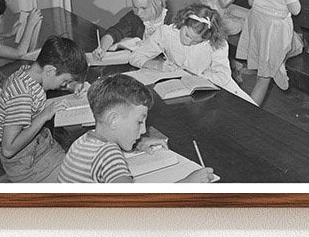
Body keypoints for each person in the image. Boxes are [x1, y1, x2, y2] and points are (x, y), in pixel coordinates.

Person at [58, 74, 213, 184]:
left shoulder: (82, 142)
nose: (144, 130)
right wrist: (187, 183)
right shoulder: (109, 155)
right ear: (113, 120)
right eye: (139, 122)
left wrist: (137, 143)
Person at [0, 36, 89, 182]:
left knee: (81, 166)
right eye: (65, 80)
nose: (63, 85)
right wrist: (44, 115)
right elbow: (8, 149)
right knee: (78, 178)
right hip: (23, 161)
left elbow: (47, 85)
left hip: (39, 144)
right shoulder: (21, 94)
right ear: (50, 70)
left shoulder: (28, 73)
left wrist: (72, 86)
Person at [236, 0, 303, 105]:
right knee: (298, 47)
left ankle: (277, 62)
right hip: (276, 30)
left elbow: (251, 1)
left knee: (267, 70)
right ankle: (277, 63)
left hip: (258, 28)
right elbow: (295, 11)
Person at [114, 4, 235, 89]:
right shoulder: (166, 33)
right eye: (187, 35)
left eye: (195, 42)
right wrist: (157, 65)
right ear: (183, 22)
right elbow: (135, 56)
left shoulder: (217, 42)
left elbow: (223, 76)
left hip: (220, 90)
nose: (188, 42)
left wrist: (197, 76)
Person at [98, 0, 167, 55]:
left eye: (144, 8)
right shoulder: (133, 17)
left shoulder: (171, 21)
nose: (139, 13)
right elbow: (113, 33)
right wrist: (102, 49)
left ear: (158, 3)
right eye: (135, 7)